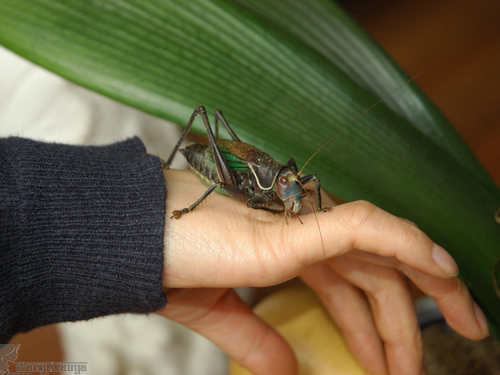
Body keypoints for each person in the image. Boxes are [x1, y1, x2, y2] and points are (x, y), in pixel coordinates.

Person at [0, 136, 488, 375]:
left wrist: (303, 198)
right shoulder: (256, 184)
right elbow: (229, 173)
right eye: (289, 188)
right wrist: (161, 206)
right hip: (223, 170)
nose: (293, 192)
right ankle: (174, 179)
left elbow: (301, 181)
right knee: (204, 116)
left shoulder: (291, 184)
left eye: (293, 188)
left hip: (252, 176)